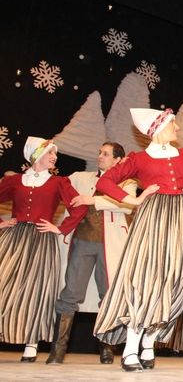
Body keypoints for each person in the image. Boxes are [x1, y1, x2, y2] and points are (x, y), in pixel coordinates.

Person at [93, 108, 183, 372]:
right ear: (157, 128)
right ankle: (131, 348)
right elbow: (106, 182)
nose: (177, 128)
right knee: (145, 279)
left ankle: (149, 343)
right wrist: (132, 200)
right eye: (172, 124)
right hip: (152, 219)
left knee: (172, 281)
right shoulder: (139, 159)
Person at [46, 142, 137, 365]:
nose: (100, 156)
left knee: (108, 295)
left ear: (118, 160)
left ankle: (106, 347)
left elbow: (127, 205)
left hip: (111, 245)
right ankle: (58, 350)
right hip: (83, 242)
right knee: (70, 293)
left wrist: (93, 200)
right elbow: (55, 185)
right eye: (99, 152)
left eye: (106, 154)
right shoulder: (81, 178)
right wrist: (26, 178)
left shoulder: (128, 182)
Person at [0, 137, 87, 362]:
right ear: (36, 154)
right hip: (15, 238)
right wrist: (1, 223)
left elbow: (79, 207)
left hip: (41, 240)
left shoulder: (59, 182)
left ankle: (31, 342)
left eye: (54, 153)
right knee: (4, 282)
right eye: (50, 152)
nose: (54, 157)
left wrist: (60, 229)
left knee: (36, 289)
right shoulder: (16, 180)